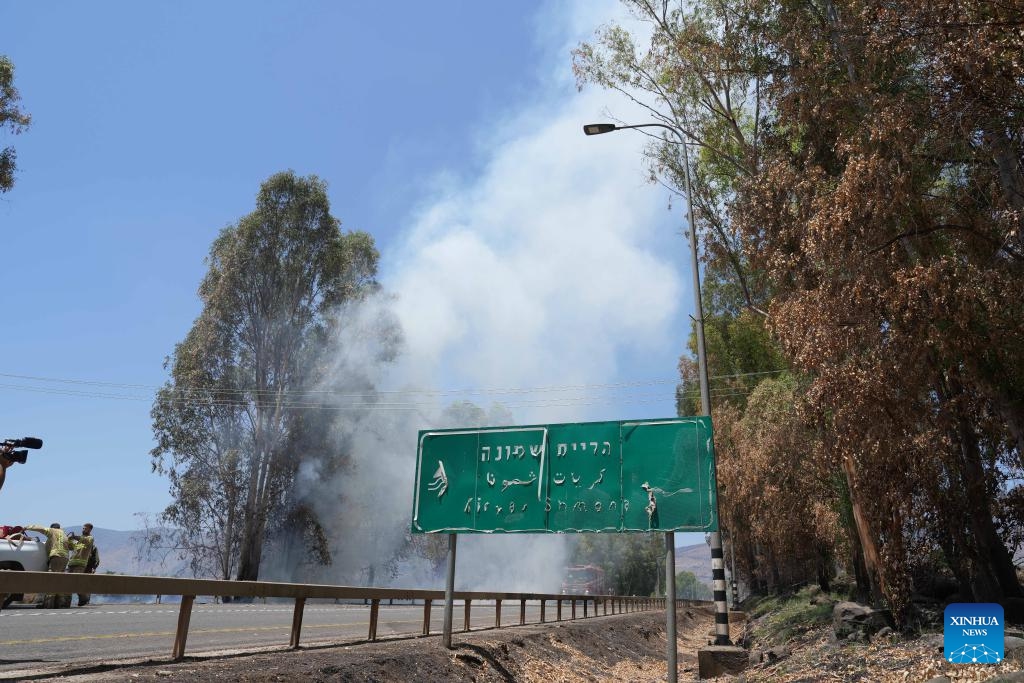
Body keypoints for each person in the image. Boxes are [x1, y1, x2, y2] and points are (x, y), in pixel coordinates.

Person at [24, 522, 72, 608]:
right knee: (59, 581)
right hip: (65, 558)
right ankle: (59, 603)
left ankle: (48, 604)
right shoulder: (63, 534)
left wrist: (27, 527)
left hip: (57, 556)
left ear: (52, 528)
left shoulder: (53, 531)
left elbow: (41, 528)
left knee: (51, 580)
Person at [67, 523, 98, 606]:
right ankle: (66, 602)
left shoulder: (90, 538)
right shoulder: (78, 541)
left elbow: (85, 540)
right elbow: (70, 547)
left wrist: (74, 537)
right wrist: (69, 540)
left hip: (80, 564)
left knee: (76, 583)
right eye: (83, 528)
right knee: (67, 583)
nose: (83, 530)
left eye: (85, 528)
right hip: (71, 563)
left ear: (90, 530)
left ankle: (84, 598)